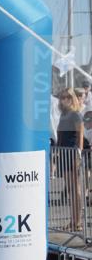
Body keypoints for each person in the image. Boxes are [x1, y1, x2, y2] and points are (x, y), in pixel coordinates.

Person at [56, 89, 86, 231]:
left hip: (72, 155)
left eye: (67, 97)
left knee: (75, 189)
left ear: (72, 98)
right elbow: (60, 136)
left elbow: (80, 136)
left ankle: (77, 222)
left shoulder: (75, 115)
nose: (64, 99)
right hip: (63, 155)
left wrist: (77, 156)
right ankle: (73, 221)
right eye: (62, 97)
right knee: (71, 190)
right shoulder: (64, 114)